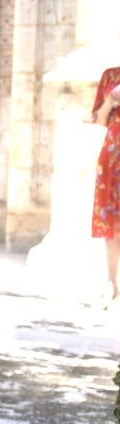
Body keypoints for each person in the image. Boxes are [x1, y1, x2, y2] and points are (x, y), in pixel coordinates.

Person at [91, 64, 120, 307]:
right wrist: (110, 101)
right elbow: (99, 120)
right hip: (113, 157)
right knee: (111, 222)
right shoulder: (110, 75)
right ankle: (112, 282)